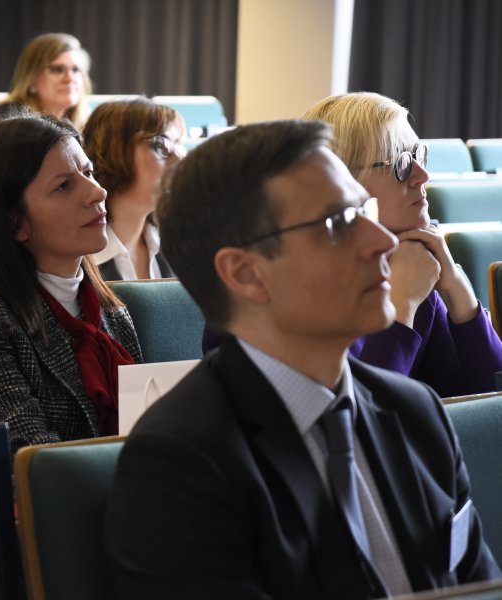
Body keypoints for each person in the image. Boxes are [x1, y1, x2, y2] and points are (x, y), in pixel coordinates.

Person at [105, 120, 500, 598]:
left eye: (365, 212)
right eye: (339, 224)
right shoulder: (179, 462)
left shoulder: (417, 413)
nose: (382, 242)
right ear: (246, 273)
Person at [0, 114, 142, 454]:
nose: (97, 191)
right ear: (15, 223)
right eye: (64, 186)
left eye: (88, 173)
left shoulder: (112, 311)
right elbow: (33, 456)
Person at [299, 92, 502, 397]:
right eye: (402, 164)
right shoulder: (294, 295)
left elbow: (484, 405)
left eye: (418, 156)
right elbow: (352, 427)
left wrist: (459, 290)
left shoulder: (411, 266)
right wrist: (400, 308)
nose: (423, 176)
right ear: (341, 182)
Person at [83, 98, 185, 280]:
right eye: (161, 146)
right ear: (115, 153)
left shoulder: (178, 249)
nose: (178, 159)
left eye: (177, 145)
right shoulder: (75, 261)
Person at [0, 33, 92, 129]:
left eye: (75, 70)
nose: (70, 78)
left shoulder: (88, 123)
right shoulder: (8, 120)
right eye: (58, 69)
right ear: (31, 78)